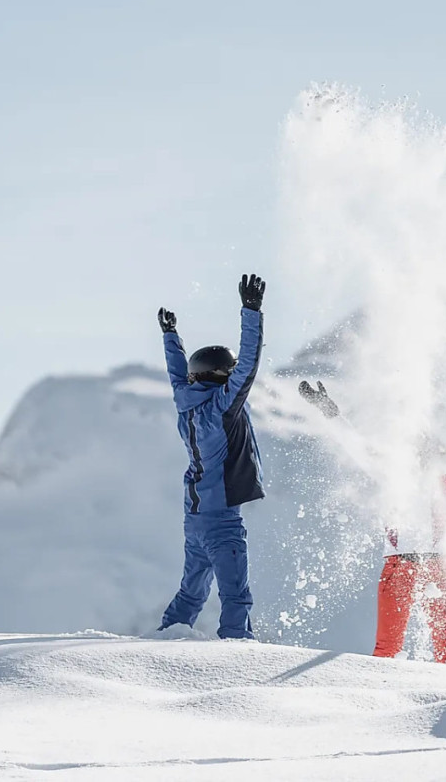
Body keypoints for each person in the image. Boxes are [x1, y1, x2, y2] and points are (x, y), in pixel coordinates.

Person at [299, 375, 446, 664]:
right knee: (387, 649)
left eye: (425, 446)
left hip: (434, 563)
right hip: (399, 566)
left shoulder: (444, 468)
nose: (421, 453)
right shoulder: (388, 470)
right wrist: (328, 410)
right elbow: (354, 444)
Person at [156, 273, 267, 640]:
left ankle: (162, 641)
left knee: (192, 591)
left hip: (196, 516)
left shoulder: (185, 403)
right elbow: (248, 366)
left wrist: (171, 337)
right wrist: (251, 311)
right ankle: (239, 652)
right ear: (221, 377)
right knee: (236, 595)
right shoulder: (222, 408)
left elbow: (177, 373)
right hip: (221, 520)